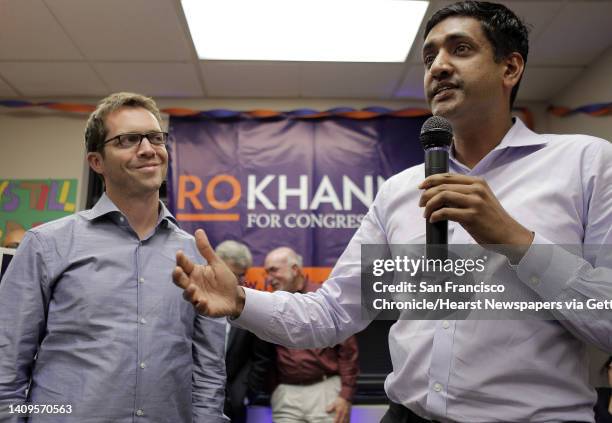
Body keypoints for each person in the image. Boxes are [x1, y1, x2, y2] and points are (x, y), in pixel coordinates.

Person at [172, 1, 612, 422]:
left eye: (460, 49)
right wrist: (241, 301)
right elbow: (332, 314)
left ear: (510, 68)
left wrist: (514, 240)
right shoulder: (399, 191)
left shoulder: (585, 164)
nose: (438, 66)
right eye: (429, 56)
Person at [0, 92, 228, 422]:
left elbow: (208, 375)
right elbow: (6, 370)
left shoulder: (195, 255)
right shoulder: (46, 245)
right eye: (128, 140)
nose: (148, 149)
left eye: (155, 138)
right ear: (97, 162)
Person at [264, 247, 358, 423]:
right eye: (267, 272)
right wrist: (275, 389)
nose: (269, 278)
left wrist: (345, 395)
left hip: (324, 391)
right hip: (286, 394)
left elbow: (348, 351)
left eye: (274, 270)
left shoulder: (323, 299)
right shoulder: (271, 303)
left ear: (295, 269)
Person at [216, 240, 274, 423]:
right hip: (194, 399)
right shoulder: (193, 299)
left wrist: (248, 393)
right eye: (232, 274)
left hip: (234, 402)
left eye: (240, 276)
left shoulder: (249, 305)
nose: (236, 281)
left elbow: (261, 357)